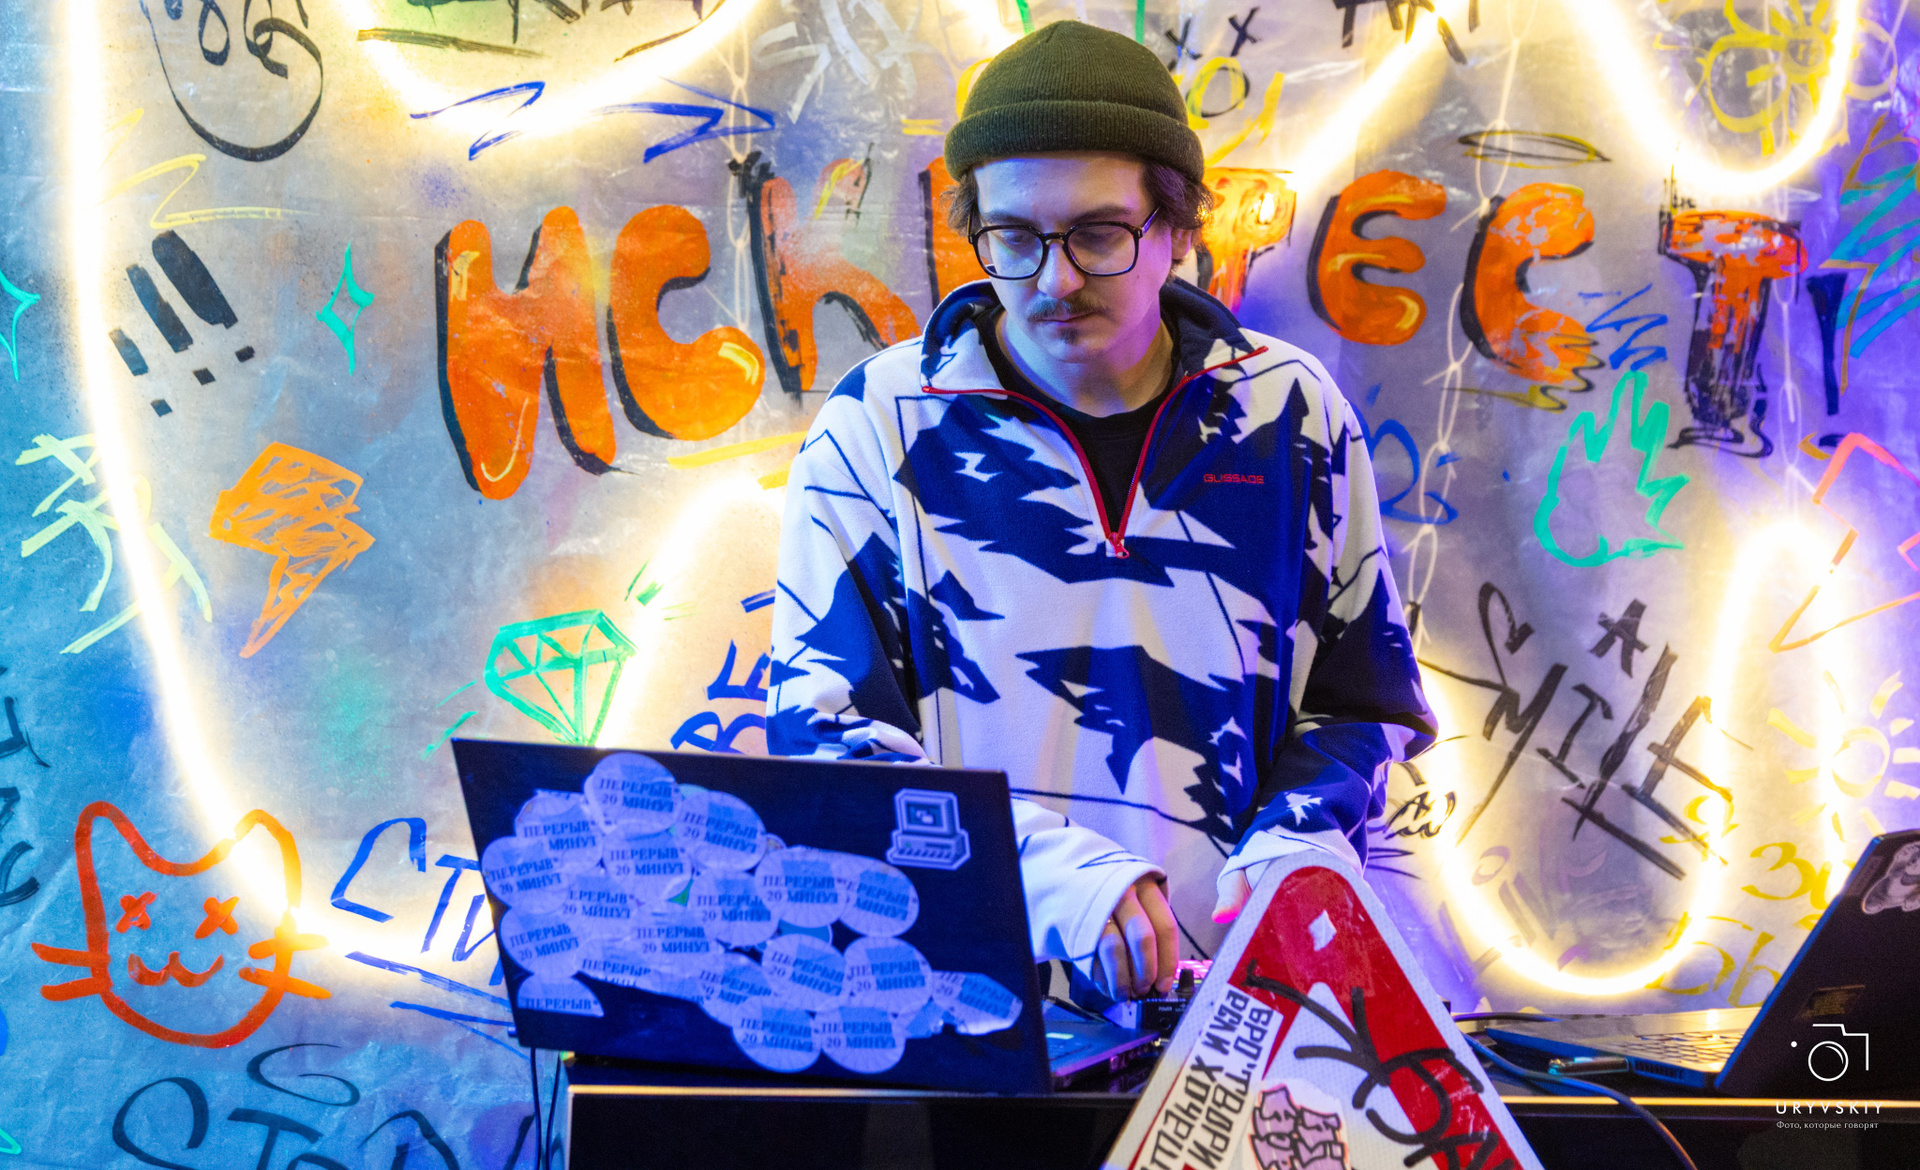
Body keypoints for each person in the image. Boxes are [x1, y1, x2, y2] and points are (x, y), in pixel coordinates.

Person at [765, 20, 1435, 1003]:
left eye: (1098, 235)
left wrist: (1299, 843)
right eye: (1014, 237)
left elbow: (1363, 704)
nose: (1055, 279)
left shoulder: (1291, 413)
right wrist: (1048, 880)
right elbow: (829, 747)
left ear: (1178, 229)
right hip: (972, 1013)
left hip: (1235, 1011)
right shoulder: (877, 424)